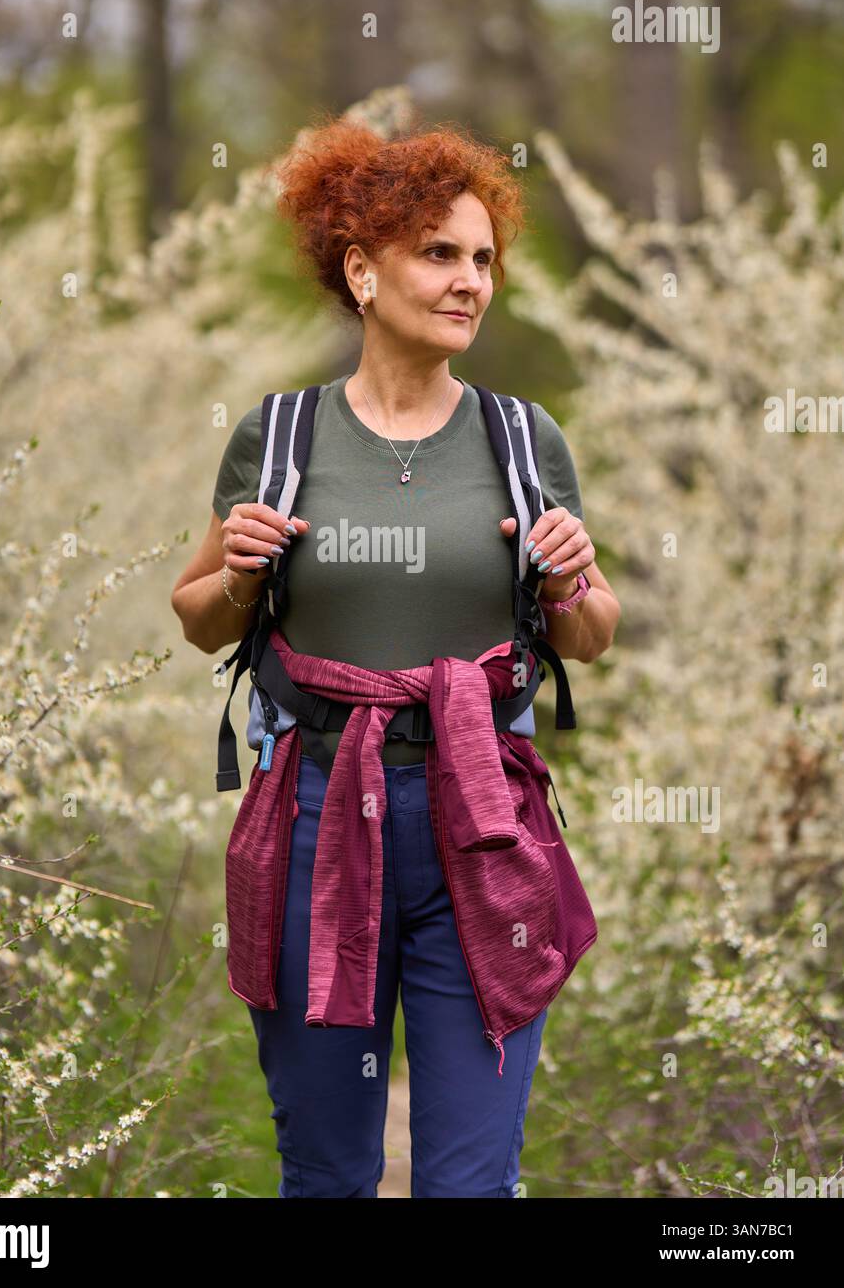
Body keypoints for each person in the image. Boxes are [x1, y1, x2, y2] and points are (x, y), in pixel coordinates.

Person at [171, 115, 621, 1198]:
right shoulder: (279, 438)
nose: (470, 281)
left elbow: (590, 636)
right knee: (326, 1171)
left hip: (483, 817)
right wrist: (237, 571)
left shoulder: (523, 440)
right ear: (363, 273)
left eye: (481, 259)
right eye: (439, 254)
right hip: (313, 815)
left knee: (470, 1177)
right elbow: (198, 617)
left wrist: (569, 578)